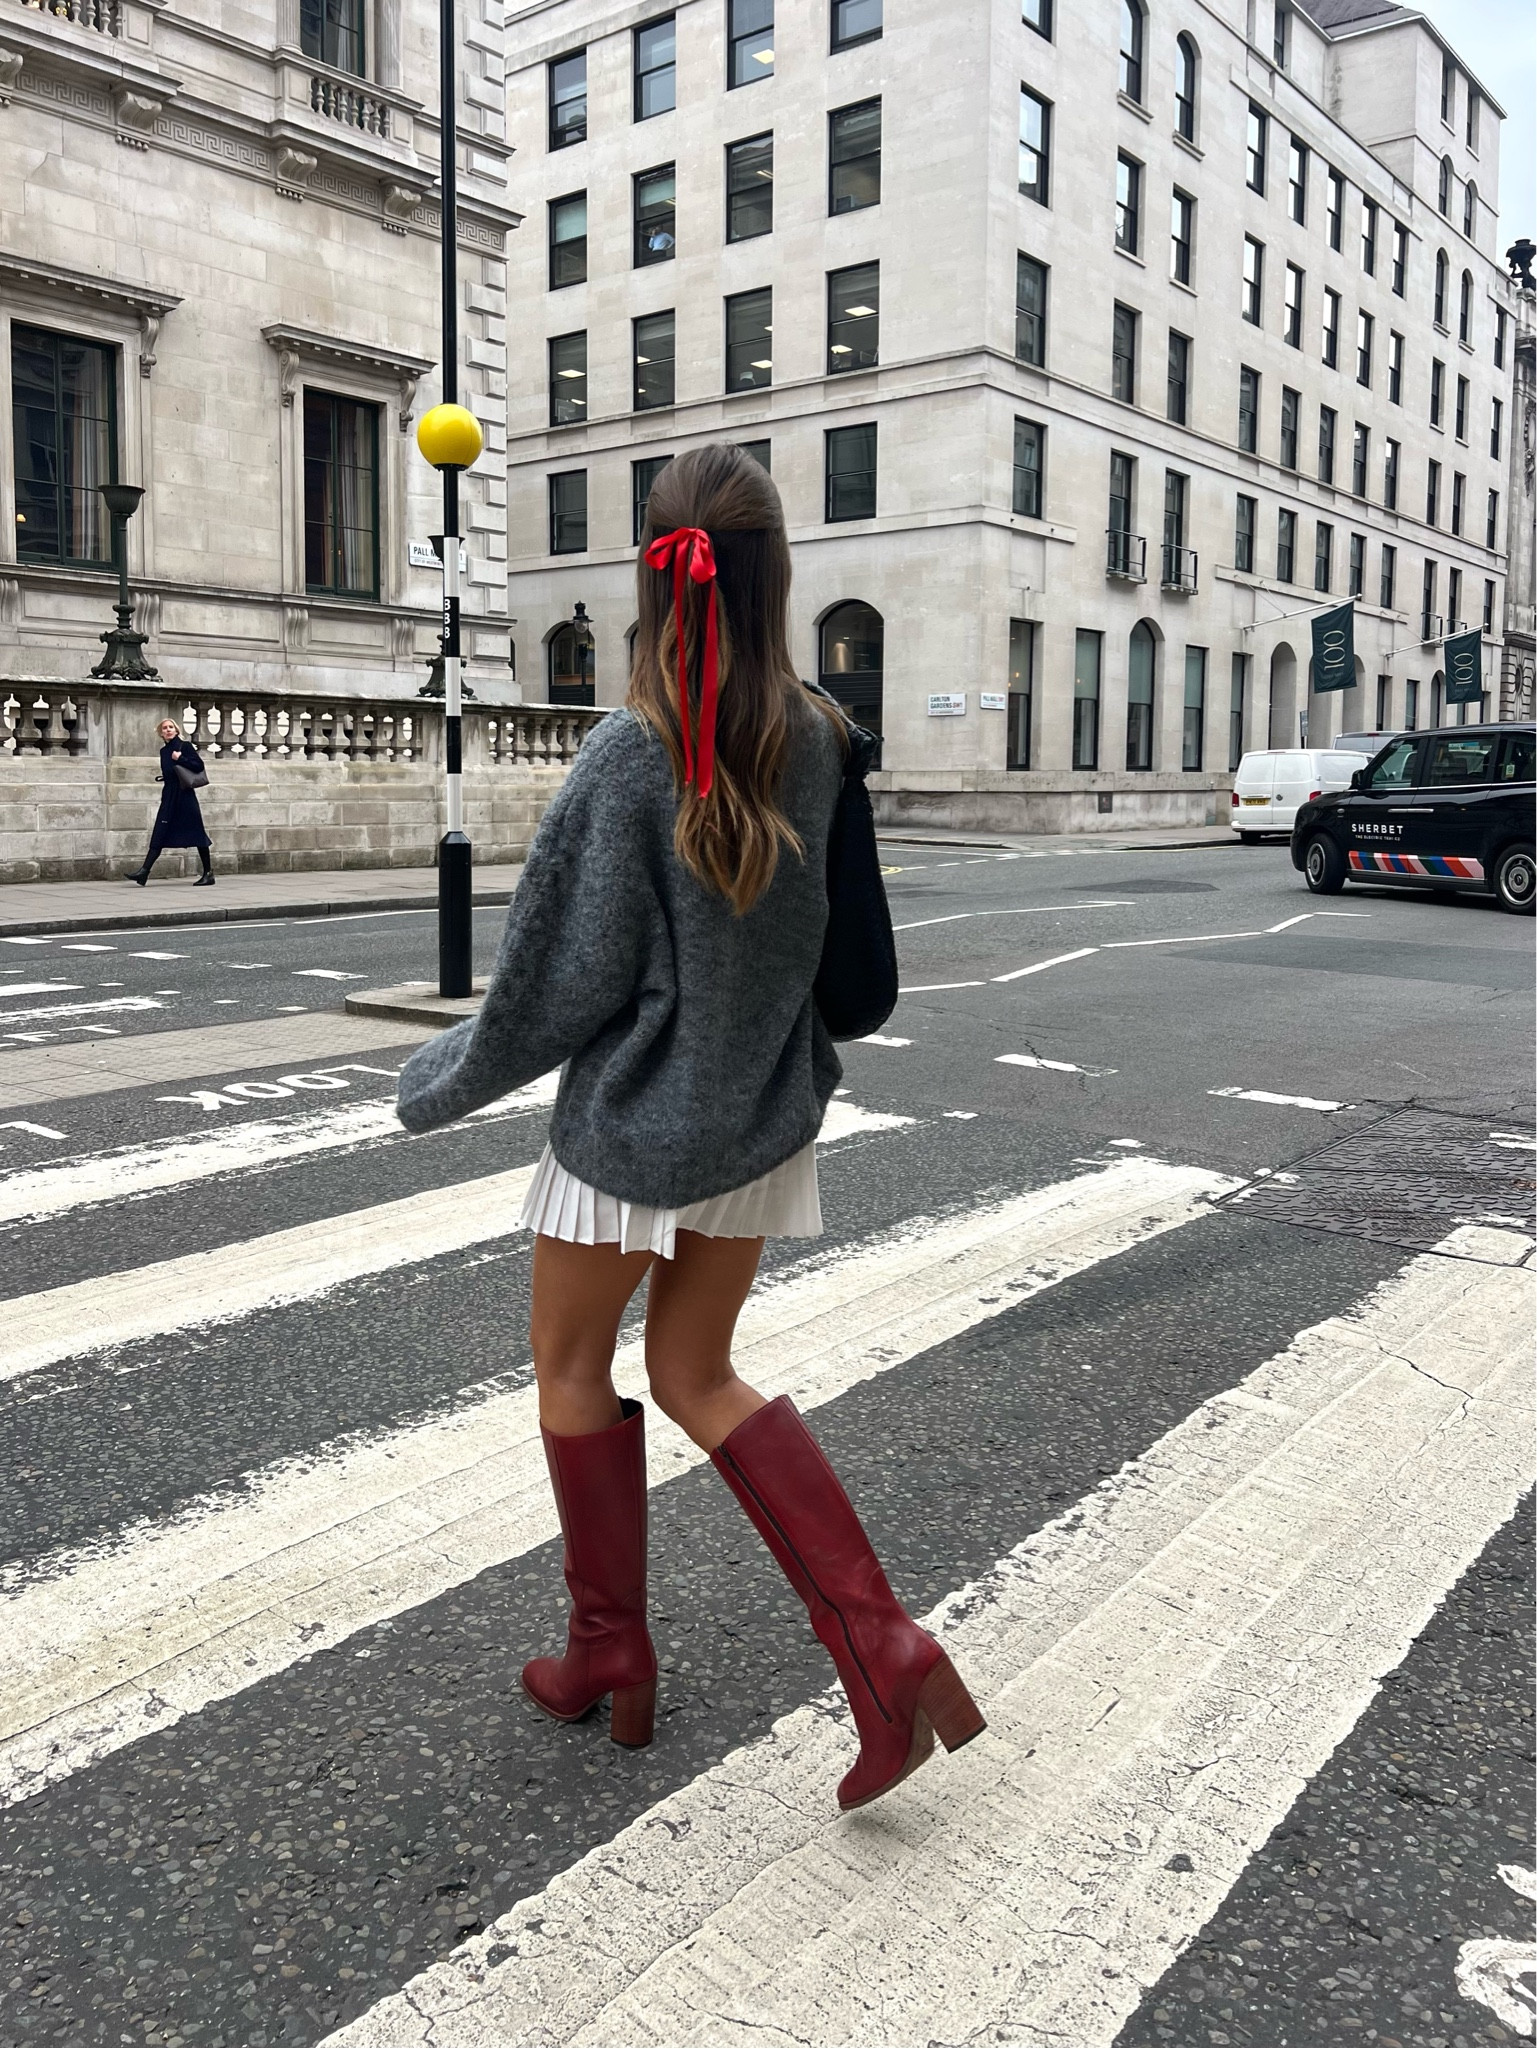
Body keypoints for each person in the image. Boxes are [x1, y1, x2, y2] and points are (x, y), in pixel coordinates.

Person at [397, 444, 984, 1812]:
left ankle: (610, 1647)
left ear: (654, 580)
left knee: (568, 1365)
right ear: (777, 577)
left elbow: (559, 982)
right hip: (761, 1123)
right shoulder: (826, 741)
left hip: (630, 1133)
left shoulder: (626, 753)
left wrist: (441, 1078)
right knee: (698, 1372)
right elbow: (862, 989)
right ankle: (882, 1644)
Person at [127, 718, 213, 886]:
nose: (168, 730)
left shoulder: (184, 746)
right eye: (165, 728)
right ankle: (144, 872)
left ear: (176, 730)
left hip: (185, 795)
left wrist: (180, 758)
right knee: (160, 831)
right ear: (161, 733)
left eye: (171, 727)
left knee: (197, 833)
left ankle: (208, 873)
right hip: (169, 795)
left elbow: (198, 765)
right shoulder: (163, 751)